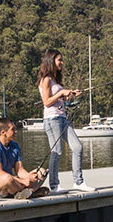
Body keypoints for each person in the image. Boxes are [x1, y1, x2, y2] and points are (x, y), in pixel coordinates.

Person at [37, 48, 96, 193]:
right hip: (52, 119)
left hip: (62, 118)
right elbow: (46, 102)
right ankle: (54, 185)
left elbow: (58, 98)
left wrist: (68, 95)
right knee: (56, 151)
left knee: (77, 147)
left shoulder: (55, 80)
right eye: (59, 60)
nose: (61, 62)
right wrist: (62, 93)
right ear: (51, 61)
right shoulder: (46, 80)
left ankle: (78, 182)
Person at [0, 118, 48, 199]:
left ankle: (28, 192)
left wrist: (29, 177)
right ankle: (32, 191)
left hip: (12, 181)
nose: (16, 131)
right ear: (3, 133)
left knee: (41, 172)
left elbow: (19, 170)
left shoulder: (15, 146)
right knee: (6, 179)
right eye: (13, 129)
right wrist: (23, 181)